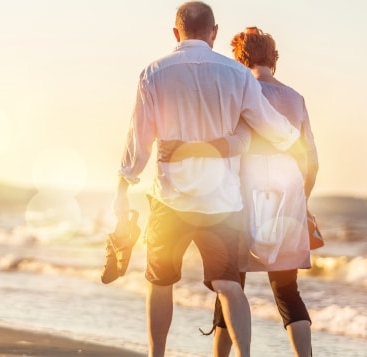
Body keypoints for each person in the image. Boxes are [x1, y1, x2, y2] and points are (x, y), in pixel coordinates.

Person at [111, 3, 300, 356]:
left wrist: (125, 183)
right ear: (214, 32)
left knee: (160, 281)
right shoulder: (238, 75)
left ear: (175, 33)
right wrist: (295, 141)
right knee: (229, 285)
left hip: (170, 198)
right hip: (222, 202)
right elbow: (271, 126)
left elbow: (139, 140)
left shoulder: (153, 73)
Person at [158, 27, 319, 357]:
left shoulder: (238, 92)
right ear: (274, 57)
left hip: (240, 197)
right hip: (287, 196)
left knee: (231, 286)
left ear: (239, 58)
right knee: (287, 290)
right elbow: (311, 162)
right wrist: (303, 203)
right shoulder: (296, 98)